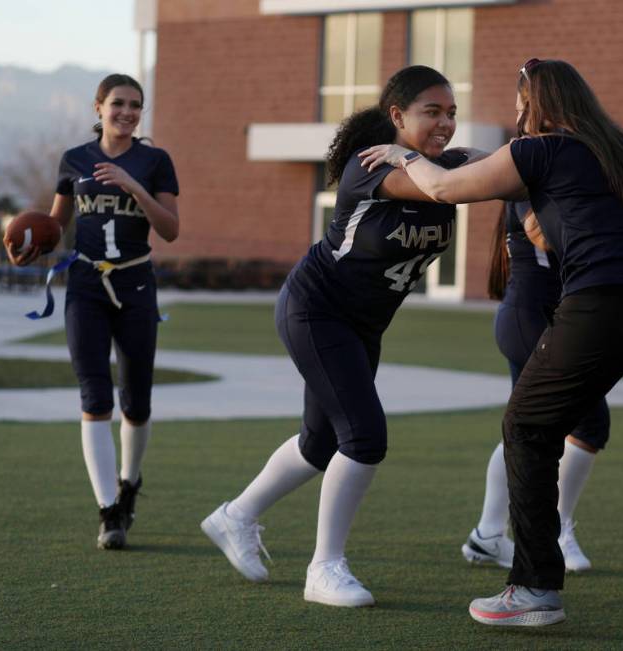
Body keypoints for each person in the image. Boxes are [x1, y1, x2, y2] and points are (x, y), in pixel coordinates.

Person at [361, 58, 623, 651]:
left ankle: (536, 588)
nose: (516, 114)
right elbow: (576, 224)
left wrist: (401, 155)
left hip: (602, 308)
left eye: (520, 103)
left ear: (533, 103)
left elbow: (443, 188)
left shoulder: (538, 149)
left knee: (526, 424)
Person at [201, 66, 473, 607]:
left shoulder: (443, 163)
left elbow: (494, 170)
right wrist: (411, 158)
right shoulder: (369, 166)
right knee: (365, 437)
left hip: (363, 324)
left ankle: (235, 516)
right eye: (431, 112)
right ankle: (323, 568)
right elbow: (437, 187)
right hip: (317, 310)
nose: (445, 123)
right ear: (396, 117)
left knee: (320, 443)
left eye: (451, 113)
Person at [6, 73, 180, 550]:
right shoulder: (76, 159)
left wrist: (133, 186)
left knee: (137, 402)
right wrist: (29, 247)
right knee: (94, 397)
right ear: (98, 107)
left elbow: (169, 230)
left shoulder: (155, 161)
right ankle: (108, 511)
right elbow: (55, 225)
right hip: (85, 283)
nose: (127, 112)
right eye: (118, 103)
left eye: (135, 105)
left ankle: (130, 482)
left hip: (136, 282)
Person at [462, 200, 610, 573]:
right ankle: (556, 531)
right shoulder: (534, 174)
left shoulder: (544, 170)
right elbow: (542, 235)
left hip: (541, 316)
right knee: (589, 424)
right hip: (531, 318)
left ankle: (488, 534)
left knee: (527, 428)